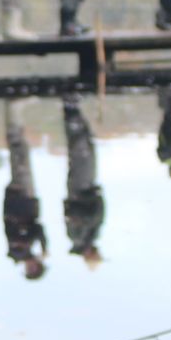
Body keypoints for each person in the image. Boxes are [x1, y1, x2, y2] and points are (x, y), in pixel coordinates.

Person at [0, 100, 48, 280]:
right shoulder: (26, 248)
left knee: (18, 152)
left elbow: (36, 230)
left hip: (20, 199)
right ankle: (14, 115)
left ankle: (13, 112)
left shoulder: (18, 250)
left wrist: (43, 247)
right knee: (21, 153)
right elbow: (38, 228)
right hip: (25, 199)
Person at [60, 100, 103, 265]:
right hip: (88, 189)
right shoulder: (92, 236)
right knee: (87, 149)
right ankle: (73, 111)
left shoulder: (77, 236)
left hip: (79, 190)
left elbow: (74, 214)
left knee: (81, 151)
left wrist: (88, 213)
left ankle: (71, 111)